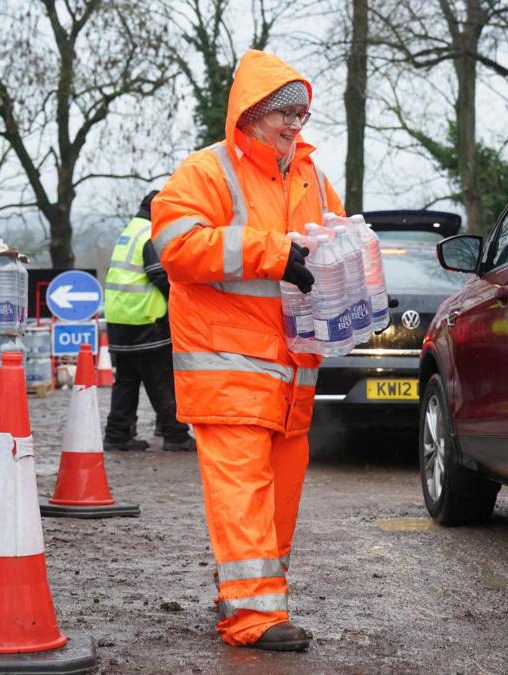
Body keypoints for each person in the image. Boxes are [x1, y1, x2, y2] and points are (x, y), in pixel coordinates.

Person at [150, 50, 343, 651]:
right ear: (253, 113)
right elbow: (177, 248)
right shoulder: (207, 171)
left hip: (292, 373)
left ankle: (253, 597)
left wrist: (356, 286)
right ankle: (253, 616)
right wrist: (273, 252)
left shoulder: (312, 177)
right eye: (285, 113)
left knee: (279, 496)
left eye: (302, 115)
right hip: (228, 365)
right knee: (244, 490)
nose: (295, 125)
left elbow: (333, 243)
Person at [102, 190, 196, 453]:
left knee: (127, 380)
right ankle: (175, 434)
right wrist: (184, 303)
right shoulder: (151, 235)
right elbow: (161, 276)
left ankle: (117, 434)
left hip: (120, 318)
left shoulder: (131, 231)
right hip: (146, 319)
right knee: (160, 378)